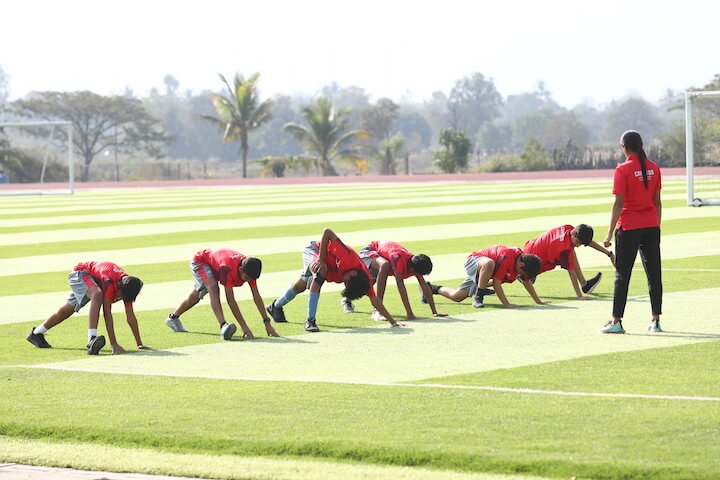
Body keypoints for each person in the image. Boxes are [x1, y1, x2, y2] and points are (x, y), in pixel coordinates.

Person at [266, 228, 403, 332]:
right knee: (321, 273)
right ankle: (310, 321)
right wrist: (320, 258)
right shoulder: (348, 258)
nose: (344, 282)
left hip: (328, 267)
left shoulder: (364, 280)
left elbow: (375, 300)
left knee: (301, 285)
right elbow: (327, 231)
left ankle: (275, 306)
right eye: (347, 281)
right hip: (315, 252)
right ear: (354, 273)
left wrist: (393, 322)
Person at [601, 130, 663, 334]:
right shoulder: (654, 168)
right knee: (654, 274)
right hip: (651, 226)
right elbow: (657, 202)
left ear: (625, 147)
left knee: (622, 275)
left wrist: (609, 233)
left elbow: (618, 203)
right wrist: (656, 226)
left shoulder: (622, 169)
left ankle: (616, 321)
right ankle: (655, 321)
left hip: (628, 227)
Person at [26, 261, 146, 355]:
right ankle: (92, 339)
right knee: (97, 294)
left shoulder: (128, 287)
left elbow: (130, 316)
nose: (119, 298)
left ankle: (36, 334)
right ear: (119, 286)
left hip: (93, 281)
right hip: (81, 273)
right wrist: (114, 343)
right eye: (120, 295)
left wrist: (139, 343)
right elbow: (107, 314)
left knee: (68, 309)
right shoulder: (110, 282)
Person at [165, 248, 278, 339]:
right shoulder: (228, 269)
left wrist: (267, 322)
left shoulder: (250, 270)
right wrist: (244, 327)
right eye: (246, 278)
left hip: (215, 265)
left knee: (196, 296)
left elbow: (256, 296)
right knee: (213, 288)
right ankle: (223, 325)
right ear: (240, 269)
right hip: (201, 261)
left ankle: (173, 318)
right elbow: (230, 300)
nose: (248, 281)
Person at [348, 240, 447, 321]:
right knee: (385, 265)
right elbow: (400, 285)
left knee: (367, 283)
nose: (419, 276)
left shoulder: (415, 263)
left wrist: (434, 312)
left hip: (381, 257)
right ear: (413, 270)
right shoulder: (398, 259)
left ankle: (347, 298)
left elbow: (424, 286)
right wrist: (409, 313)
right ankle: (377, 311)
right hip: (369, 251)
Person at [423, 246, 544, 308]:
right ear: (522, 264)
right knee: (489, 263)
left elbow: (526, 281)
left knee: (456, 296)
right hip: (474, 262)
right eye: (522, 274)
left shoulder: (521, 264)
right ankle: (478, 297)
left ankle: (431, 288)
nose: (521, 277)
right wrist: (507, 304)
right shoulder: (507, 257)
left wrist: (538, 301)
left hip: (483, 275)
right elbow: (496, 283)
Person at [523, 224, 616, 299]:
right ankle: (584, 285)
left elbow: (589, 242)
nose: (578, 245)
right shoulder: (564, 249)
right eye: (578, 243)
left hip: (530, 248)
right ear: (574, 234)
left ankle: (584, 284)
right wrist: (580, 296)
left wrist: (609, 254)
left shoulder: (570, 229)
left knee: (571, 250)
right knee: (570, 252)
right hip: (533, 263)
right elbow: (572, 273)